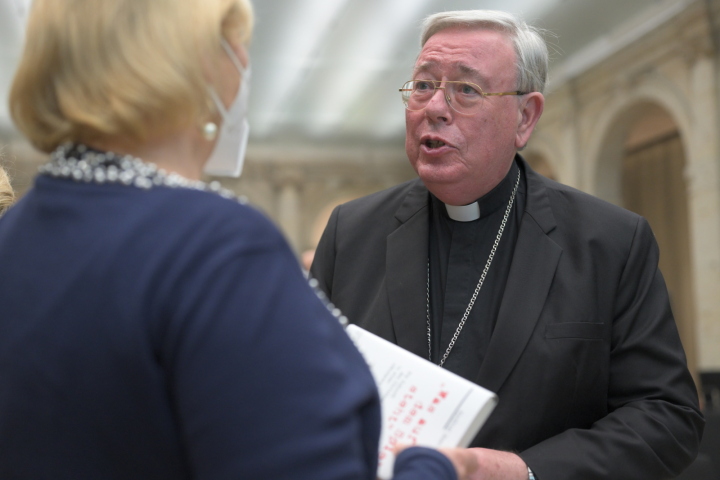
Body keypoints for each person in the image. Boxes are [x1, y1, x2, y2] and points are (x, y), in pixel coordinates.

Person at [0, 1, 479, 479]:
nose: (245, 64)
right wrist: (429, 468)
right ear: (192, 65)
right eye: (235, 45)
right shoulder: (216, 247)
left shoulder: (15, 232)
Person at [311, 10, 704, 480]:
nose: (434, 106)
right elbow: (307, 386)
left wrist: (524, 471)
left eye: (466, 89)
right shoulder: (351, 232)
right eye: (422, 85)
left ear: (525, 116)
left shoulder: (611, 241)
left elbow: (666, 415)